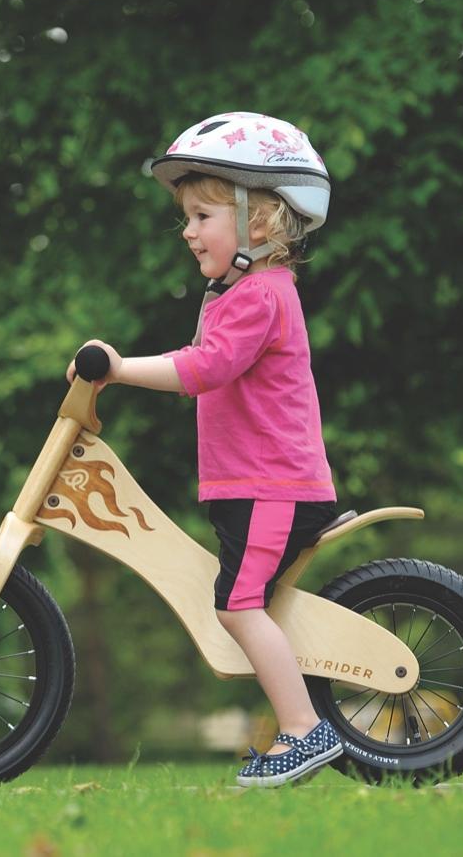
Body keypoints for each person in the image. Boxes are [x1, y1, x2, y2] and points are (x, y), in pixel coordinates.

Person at [65, 112, 345, 787]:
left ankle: (306, 732)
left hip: (272, 487)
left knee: (236, 604)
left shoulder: (259, 297)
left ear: (257, 222)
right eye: (185, 218)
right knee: (240, 600)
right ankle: (303, 721)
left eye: (201, 216)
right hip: (251, 487)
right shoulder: (242, 293)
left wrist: (119, 366)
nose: (187, 231)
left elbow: (203, 370)